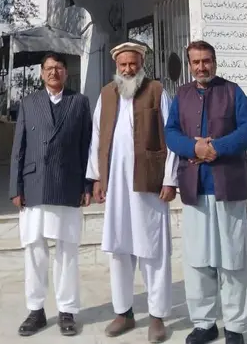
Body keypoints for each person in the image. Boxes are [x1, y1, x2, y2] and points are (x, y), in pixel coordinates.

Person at [165, 41, 247, 344]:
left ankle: (235, 326)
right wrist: (193, 148)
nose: (201, 67)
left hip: (228, 189)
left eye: (206, 61)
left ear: (215, 62)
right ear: (189, 65)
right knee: (198, 262)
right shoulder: (182, 95)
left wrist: (216, 148)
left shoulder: (232, 92)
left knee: (233, 261)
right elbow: (170, 133)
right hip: (195, 190)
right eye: (196, 62)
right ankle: (205, 324)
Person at [87, 42, 178, 343]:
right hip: (115, 185)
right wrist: (96, 178)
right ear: (117, 66)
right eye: (123, 65)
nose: (128, 69)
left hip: (149, 183)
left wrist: (170, 179)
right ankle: (123, 312)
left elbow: (171, 135)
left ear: (141, 64)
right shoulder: (106, 94)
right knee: (120, 248)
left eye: (133, 64)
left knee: (153, 249)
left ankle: (157, 316)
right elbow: (96, 137)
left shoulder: (156, 91)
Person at [10, 52, 93, 337]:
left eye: (58, 68)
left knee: (67, 251)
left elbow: (86, 146)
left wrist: (87, 186)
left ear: (66, 73)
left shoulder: (79, 102)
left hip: (68, 183)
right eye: (48, 68)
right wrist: (15, 188)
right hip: (34, 184)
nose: (53, 72)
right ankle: (36, 310)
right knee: (35, 250)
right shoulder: (29, 102)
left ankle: (67, 310)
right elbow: (18, 149)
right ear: (41, 73)